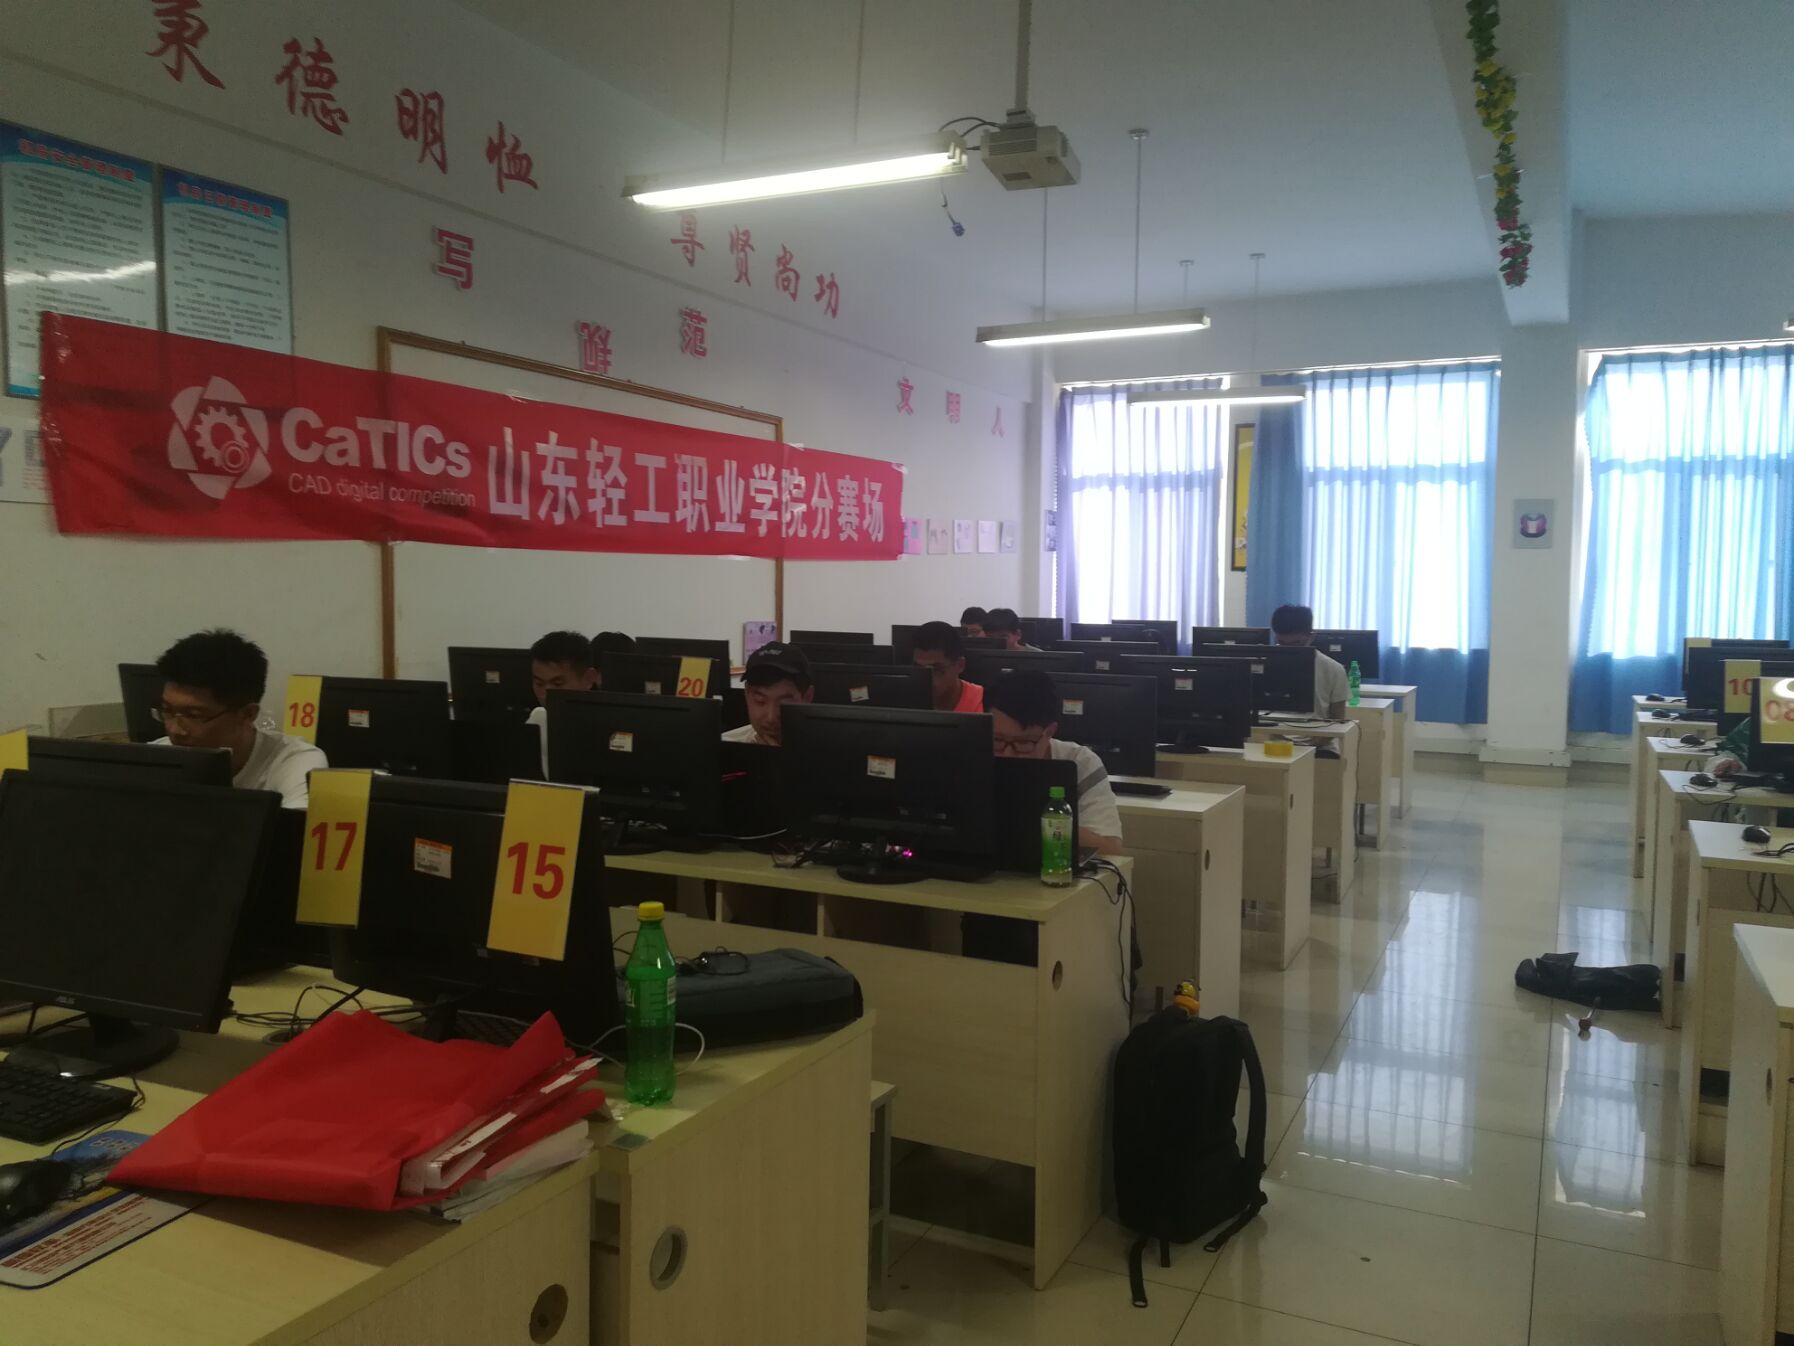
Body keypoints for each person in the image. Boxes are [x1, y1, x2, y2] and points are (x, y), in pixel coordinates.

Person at [153, 629, 326, 808]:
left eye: (194, 715)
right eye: (167, 710)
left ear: (248, 714)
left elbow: (298, 824)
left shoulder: (294, 761)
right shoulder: (156, 757)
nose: (175, 730)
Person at [985, 671, 1123, 854]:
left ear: (1050, 732)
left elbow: (1110, 848)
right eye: (997, 740)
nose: (1008, 754)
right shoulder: (968, 753)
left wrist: (1038, 822)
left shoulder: (1079, 762)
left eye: (1023, 743)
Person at [526, 631, 598, 775]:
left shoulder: (606, 727)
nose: (546, 693)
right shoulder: (538, 719)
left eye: (557, 683)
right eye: (539, 683)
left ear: (589, 678)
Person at [723, 643, 814, 745]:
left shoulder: (826, 750)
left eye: (784, 704)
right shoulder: (722, 746)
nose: (771, 718)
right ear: (746, 694)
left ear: (807, 698)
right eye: (760, 701)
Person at [1271, 603, 1349, 719]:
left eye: (1297, 644)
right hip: (1270, 728)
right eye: (1282, 644)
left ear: (1311, 637)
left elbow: (1338, 718)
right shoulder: (1266, 664)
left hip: (1318, 729)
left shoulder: (1333, 669)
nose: (1289, 650)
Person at [911, 621, 984, 712]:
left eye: (936, 670)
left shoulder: (983, 702)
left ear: (960, 665)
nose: (927, 679)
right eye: (919, 669)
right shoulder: (905, 700)